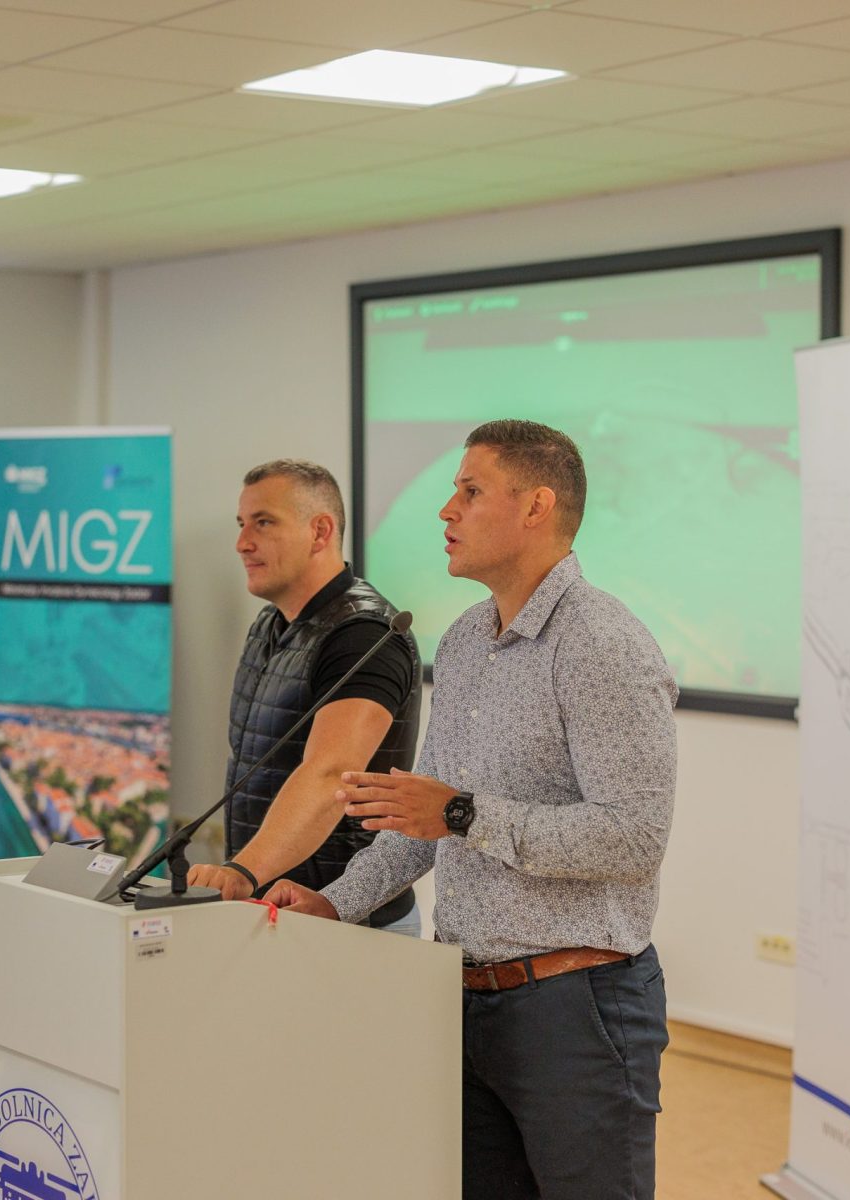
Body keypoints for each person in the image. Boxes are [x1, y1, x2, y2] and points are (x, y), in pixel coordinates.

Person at [265, 420, 679, 1199]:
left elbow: (634, 839)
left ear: (536, 507)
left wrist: (463, 815)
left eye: (470, 490)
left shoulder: (602, 643)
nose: (446, 510)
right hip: (462, 998)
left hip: (577, 1011)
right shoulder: (462, 642)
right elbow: (422, 817)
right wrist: (335, 902)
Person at [185, 459, 423, 933]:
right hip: (273, 911)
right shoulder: (270, 624)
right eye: (241, 523)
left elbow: (331, 774)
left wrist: (241, 871)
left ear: (320, 532)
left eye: (263, 523)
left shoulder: (364, 634)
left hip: (349, 924)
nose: (242, 542)